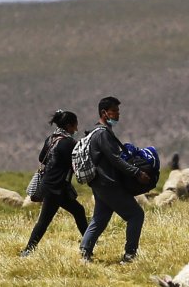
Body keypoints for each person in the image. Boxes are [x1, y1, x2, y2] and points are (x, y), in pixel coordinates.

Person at [79, 96, 151, 264]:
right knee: (136, 215)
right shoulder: (103, 134)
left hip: (99, 184)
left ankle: (84, 252)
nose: (118, 114)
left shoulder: (98, 132)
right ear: (104, 113)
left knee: (100, 218)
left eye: (118, 111)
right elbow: (115, 159)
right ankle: (129, 255)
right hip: (108, 183)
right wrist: (136, 172)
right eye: (114, 111)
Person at [20, 110, 88, 257]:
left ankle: (89, 243)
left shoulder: (51, 138)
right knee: (45, 220)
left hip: (52, 185)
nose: (76, 129)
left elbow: (41, 157)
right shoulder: (69, 142)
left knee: (78, 211)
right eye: (75, 125)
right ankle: (27, 251)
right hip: (55, 188)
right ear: (69, 125)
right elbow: (78, 159)